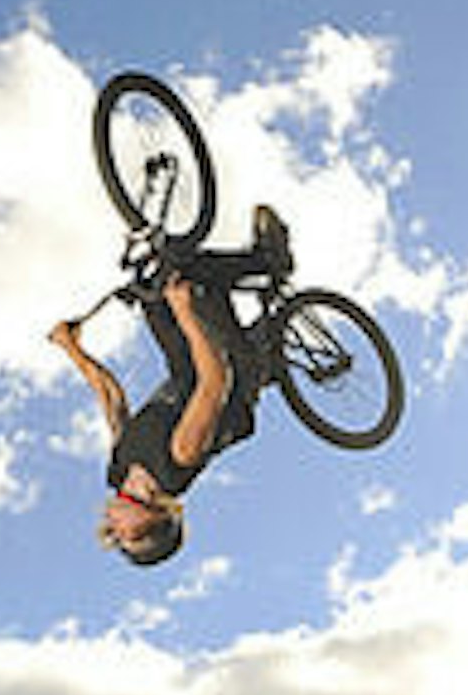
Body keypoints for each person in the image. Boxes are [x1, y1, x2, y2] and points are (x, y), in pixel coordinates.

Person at [48, 205, 292, 566]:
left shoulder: (119, 470)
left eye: (115, 539)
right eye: (127, 536)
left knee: (153, 289)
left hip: (185, 370)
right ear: (154, 520)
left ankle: (260, 334)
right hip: (232, 374)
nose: (114, 532)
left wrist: (72, 348)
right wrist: (185, 312)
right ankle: (268, 261)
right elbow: (214, 381)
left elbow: (112, 400)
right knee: (192, 278)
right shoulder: (178, 459)